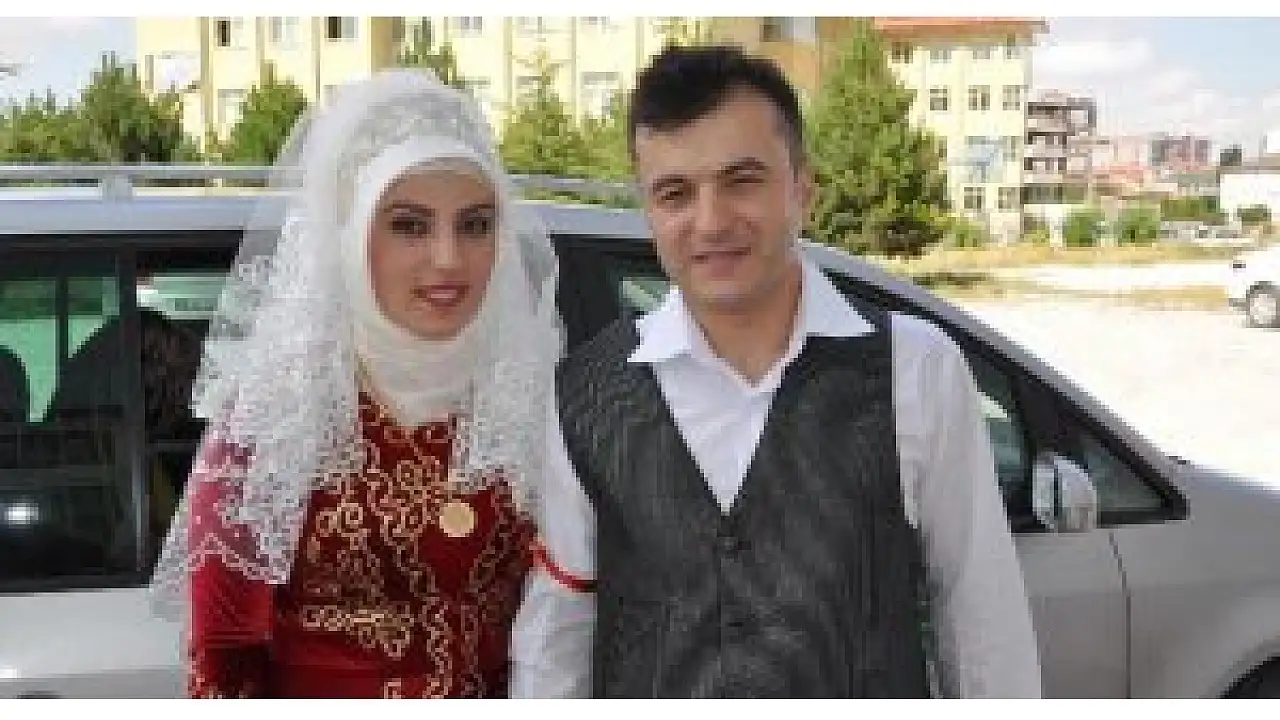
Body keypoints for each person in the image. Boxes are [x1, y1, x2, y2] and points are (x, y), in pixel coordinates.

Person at [510, 44, 1042, 698]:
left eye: (742, 180)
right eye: (675, 193)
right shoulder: (586, 392)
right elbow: (557, 636)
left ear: (802, 190)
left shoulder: (915, 369)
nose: (711, 222)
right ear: (648, 210)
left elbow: (982, 619)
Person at [149, 68, 561, 698]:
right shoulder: (276, 421)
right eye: (409, 225)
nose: (448, 259)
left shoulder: (526, 401)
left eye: (475, 225)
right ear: (348, 232)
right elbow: (224, 660)